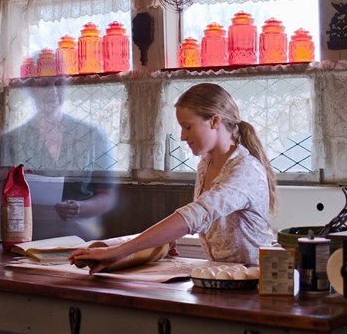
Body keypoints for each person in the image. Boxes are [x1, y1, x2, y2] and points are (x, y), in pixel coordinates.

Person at [68, 82, 277, 272]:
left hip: (255, 279)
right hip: (219, 274)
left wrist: (120, 251)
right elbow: (207, 220)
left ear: (215, 121)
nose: (182, 136)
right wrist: (167, 240)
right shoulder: (206, 162)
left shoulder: (245, 170)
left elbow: (197, 214)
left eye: (188, 127)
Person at [0, 79, 117, 239]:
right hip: (27, 233)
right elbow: (0, 195)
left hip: (80, 233)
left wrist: (79, 208)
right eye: (44, 84)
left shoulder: (93, 136)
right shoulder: (12, 139)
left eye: (59, 83)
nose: (53, 91)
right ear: (31, 89)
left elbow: (107, 195)